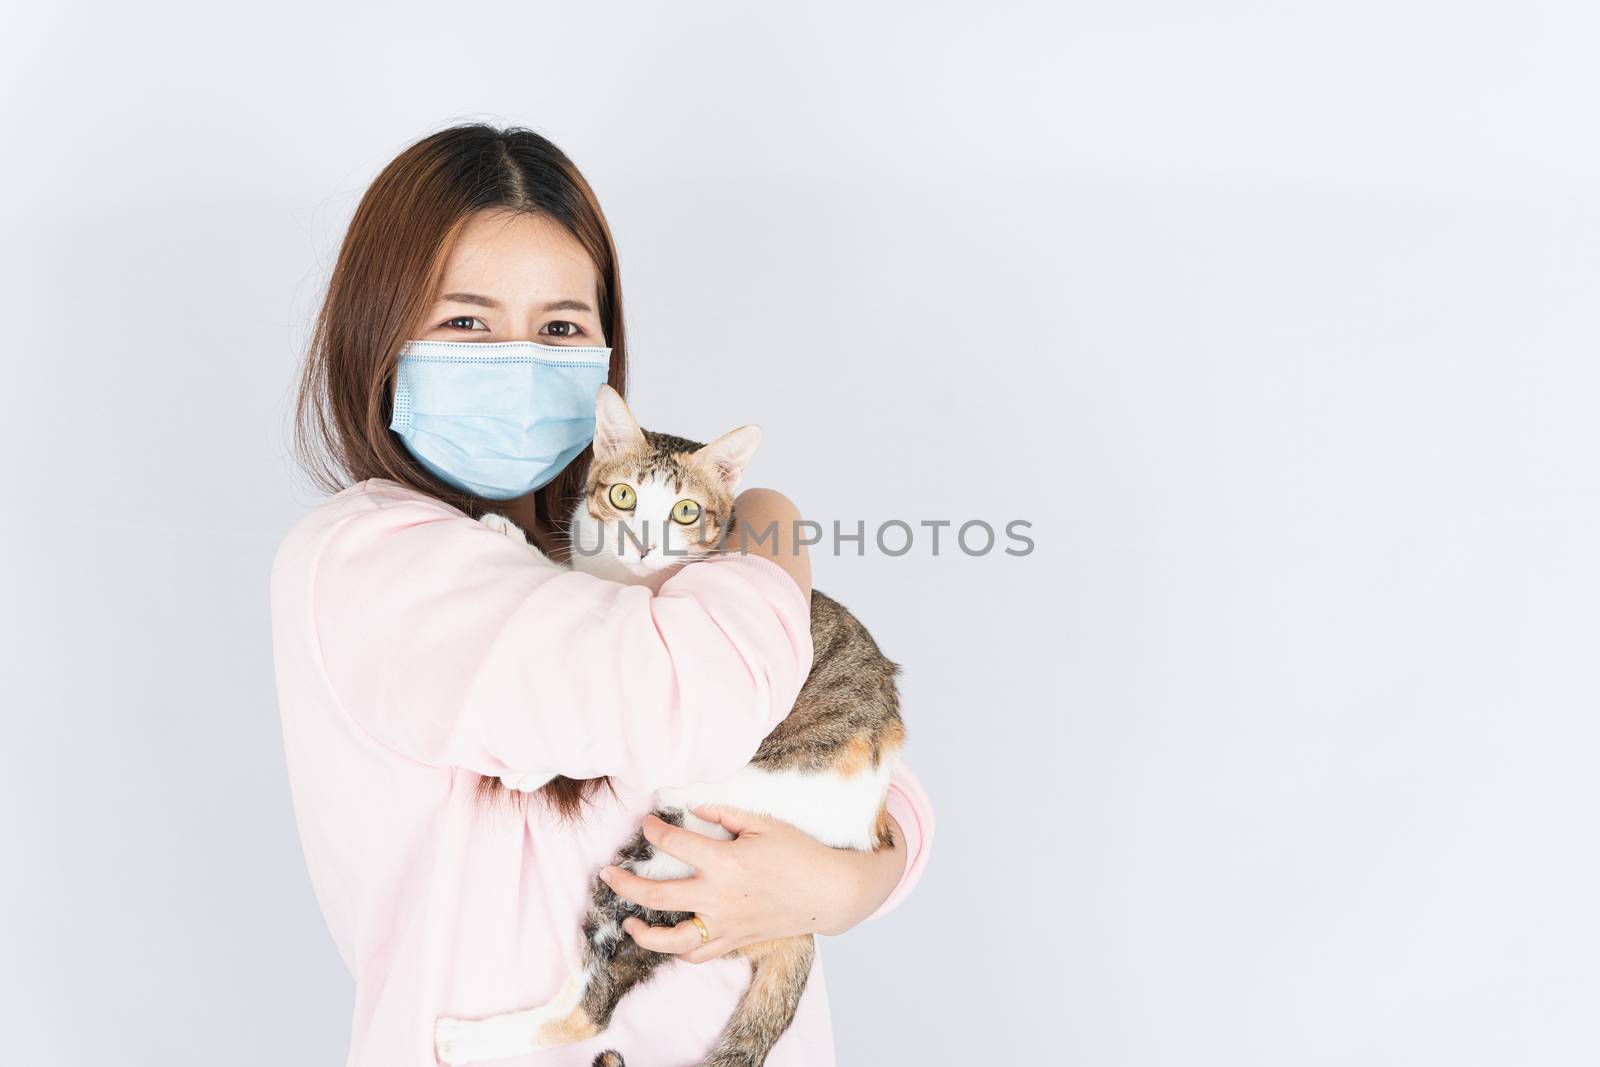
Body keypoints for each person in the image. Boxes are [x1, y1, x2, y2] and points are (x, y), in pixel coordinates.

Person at [269, 122, 935, 1067]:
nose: (518, 356)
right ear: (379, 335)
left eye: (560, 327)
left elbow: (887, 791)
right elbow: (699, 698)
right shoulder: (368, 559)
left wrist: (840, 890)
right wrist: (767, 526)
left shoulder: (592, 556)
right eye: (466, 322)